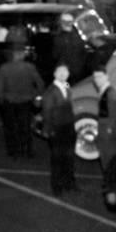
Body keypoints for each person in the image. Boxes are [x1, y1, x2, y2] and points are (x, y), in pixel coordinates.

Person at [0, 47, 45, 159]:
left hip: (9, 101)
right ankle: (27, 150)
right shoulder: (29, 67)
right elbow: (40, 83)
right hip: (25, 101)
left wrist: (1, 99)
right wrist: (35, 94)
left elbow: (0, 87)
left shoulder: (4, 68)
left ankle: (13, 151)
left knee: (10, 127)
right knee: (25, 126)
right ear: (23, 55)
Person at [41, 63, 77, 197]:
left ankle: (69, 184)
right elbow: (47, 112)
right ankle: (57, 187)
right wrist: (48, 130)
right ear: (55, 74)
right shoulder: (51, 91)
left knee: (69, 158)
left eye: (65, 72)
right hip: (57, 128)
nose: (63, 74)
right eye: (60, 72)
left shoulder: (67, 87)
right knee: (57, 159)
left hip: (68, 127)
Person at [92, 67, 116, 171]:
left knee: (108, 155)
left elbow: (113, 113)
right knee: (105, 155)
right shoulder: (104, 90)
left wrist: (109, 129)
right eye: (95, 77)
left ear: (106, 77)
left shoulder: (109, 92)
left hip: (107, 127)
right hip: (104, 126)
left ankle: (110, 181)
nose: (97, 79)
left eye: (99, 76)